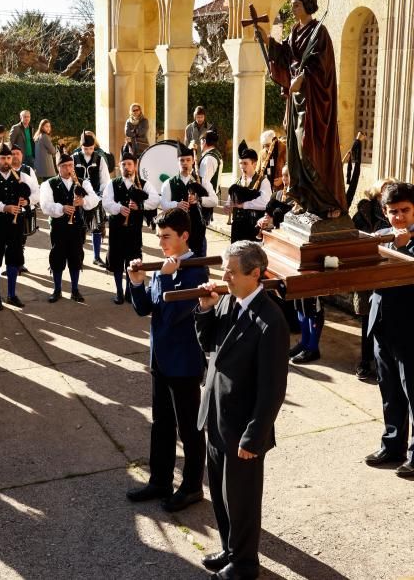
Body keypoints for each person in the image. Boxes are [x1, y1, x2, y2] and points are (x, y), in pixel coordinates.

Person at [195, 241, 289, 579]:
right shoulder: (228, 303)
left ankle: (245, 563)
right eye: (224, 269)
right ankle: (229, 548)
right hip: (216, 416)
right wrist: (206, 309)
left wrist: (255, 435)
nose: (224, 277)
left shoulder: (270, 320)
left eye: (231, 272)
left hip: (243, 427)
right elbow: (210, 347)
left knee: (242, 500)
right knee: (221, 495)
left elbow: (273, 387)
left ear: (255, 273)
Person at [126, 209, 207, 513]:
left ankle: (192, 486)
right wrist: (137, 282)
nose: (161, 243)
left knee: (189, 427)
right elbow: (145, 307)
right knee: (161, 423)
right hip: (160, 358)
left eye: (167, 237)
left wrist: (164, 277)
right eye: (158, 236)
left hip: (184, 361)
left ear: (184, 236)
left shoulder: (196, 269)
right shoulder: (165, 267)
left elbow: (173, 314)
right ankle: (160, 479)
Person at [262, 0, 346, 218]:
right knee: (294, 151)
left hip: (314, 103)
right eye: (292, 4)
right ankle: (304, 198)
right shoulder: (294, 31)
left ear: (307, 5)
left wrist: (305, 77)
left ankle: (328, 202)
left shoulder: (319, 32)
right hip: (295, 100)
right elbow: (285, 59)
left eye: (296, 4)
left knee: (307, 146)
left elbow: (324, 67)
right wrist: (267, 42)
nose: (292, 7)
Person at [364, 182, 414, 478]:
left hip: (411, 327)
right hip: (382, 322)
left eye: (405, 211)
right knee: (389, 389)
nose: (399, 217)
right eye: (393, 212)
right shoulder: (381, 236)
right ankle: (392, 444)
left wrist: (403, 246)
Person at [39, 153, 99, 303]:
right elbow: (45, 205)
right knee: (57, 257)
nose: (68, 169)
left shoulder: (82, 182)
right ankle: (57, 289)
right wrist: (62, 208)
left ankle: (75, 289)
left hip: (77, 227)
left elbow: (95, 199)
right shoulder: (49, 184)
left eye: (70, 165)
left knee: (76, 257)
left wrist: (83, 201)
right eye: (64, 166)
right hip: (58, 227)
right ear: (58, 167)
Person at [351, 177, 394, 380]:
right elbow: (353, 237)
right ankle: (365, 361)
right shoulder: (363, 213)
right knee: (368, 319)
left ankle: (383, 362)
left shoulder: (394, 212)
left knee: (387, 321)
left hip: (387, 272)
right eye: (383, 192)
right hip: (367, 272)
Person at [0, 143, 33, 310]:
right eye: (2, 158)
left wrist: (27, 201)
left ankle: (11, 295)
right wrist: (5, 207)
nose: (6, 161)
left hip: (15, 224)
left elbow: (36, 193)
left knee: (14, 258)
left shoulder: (21, 176)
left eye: (9, 157)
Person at [103, 151, 159, 303]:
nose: (126, 167)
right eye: (123, 164)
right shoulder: (113, 183)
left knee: (132, 260)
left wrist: (140, 206)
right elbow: (106, 202)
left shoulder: (143, 184)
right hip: (117, 229)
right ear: (119, 166)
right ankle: (119, 292)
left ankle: (129, 292)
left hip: (134, 230)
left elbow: (155, 200)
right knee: (116, 261)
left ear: (135, 166)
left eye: (129, 164)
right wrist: (119, 208)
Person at [160, 141, 218, 257]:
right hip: (176, 231)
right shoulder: (169, 183)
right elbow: (164, 204)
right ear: (177, 162)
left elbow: (214, 200)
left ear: (192, 161)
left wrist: (199, 200)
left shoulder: (202, 181)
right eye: (182, 160)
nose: (185, 163)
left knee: (198, 262)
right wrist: (176, 205)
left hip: (197, 229)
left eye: (188, 160)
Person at [73, 131, 111, 267]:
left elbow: (105, 179)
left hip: (95, 197)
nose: (88, 151)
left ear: (94, 146)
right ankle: (78, 257)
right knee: (79, 228)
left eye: (90, 148)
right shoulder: (74, 158)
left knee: (96, 227)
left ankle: (96, 256)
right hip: (78, 198)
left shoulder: (100, 159)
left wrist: (100, 196)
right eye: (85, 148)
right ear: (81, 146)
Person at [226, 146, 271, 243]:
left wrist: (244, 205)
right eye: (240, 163)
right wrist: (227, 205)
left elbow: (265, 203)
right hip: (237, 228)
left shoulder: (263, 181)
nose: (242, 167)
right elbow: (230, 200)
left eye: (245, 163)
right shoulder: (237, 182)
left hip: (253, 226)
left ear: (254, 164)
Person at [11, 144, 39, 273]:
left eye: (18, 153)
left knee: (22, 239)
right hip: (9, 211)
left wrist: (27, 201)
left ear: (22, 156)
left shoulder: (28, 170)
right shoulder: (4, 170)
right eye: (13, 154)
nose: (15, 156)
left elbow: (36, 192)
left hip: (24, 210)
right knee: (10, 240)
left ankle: (20, 264)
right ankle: (11, 266)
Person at [199, 129, 222, 224]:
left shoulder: (209, 158)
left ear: (204, 141)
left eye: (200, 141)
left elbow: (204, 181)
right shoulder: (215, 154)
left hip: (205, 199)